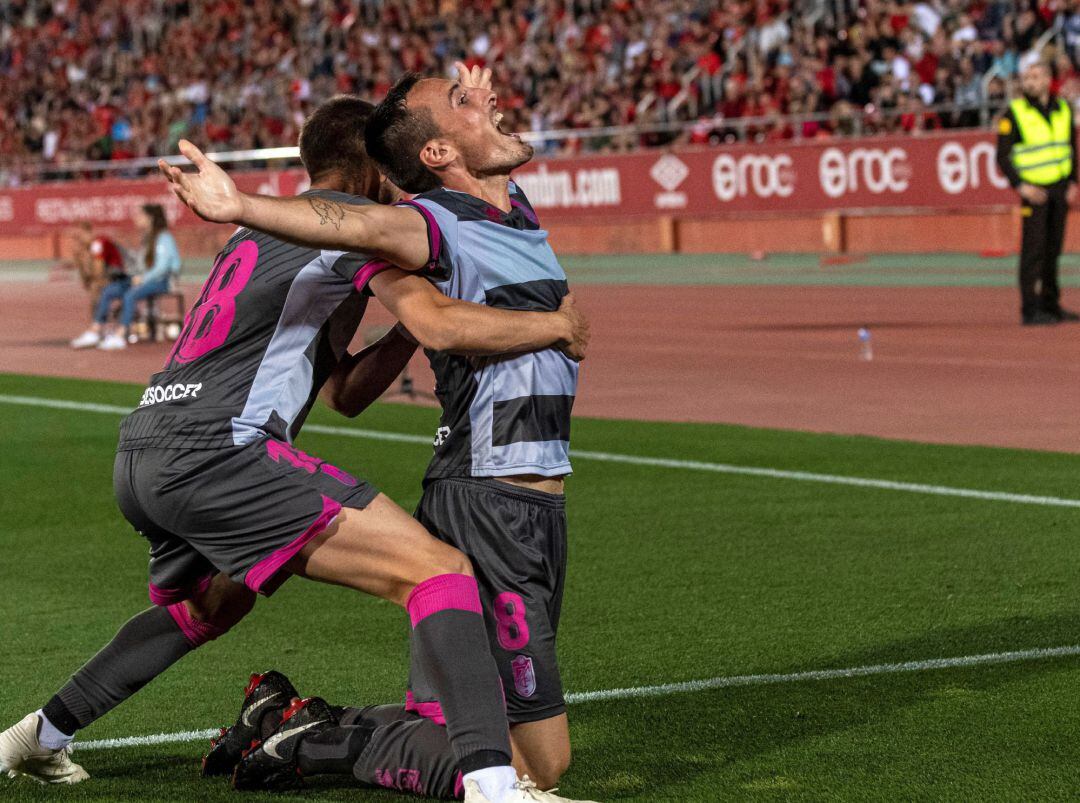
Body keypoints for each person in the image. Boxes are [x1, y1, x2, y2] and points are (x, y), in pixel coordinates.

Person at [0, 93, 590, 803]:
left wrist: (399, 329)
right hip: (220, 450)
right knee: (439, 570)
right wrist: (552, 324)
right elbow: (436, 320)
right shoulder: (347, 233)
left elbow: (341, 391)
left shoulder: (254, 240)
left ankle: (39, 732)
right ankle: (497, 790)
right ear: (374, 173)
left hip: (146, 446)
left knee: (210, 605)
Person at [995, 59, 1080, 326]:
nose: (1029, 83)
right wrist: (1021, 186)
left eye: (1034, 77)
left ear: (1046, 80)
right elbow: (1002, 157)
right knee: (1033, 251)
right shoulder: (1015, 113)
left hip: (1059, 187)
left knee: (1053, 250)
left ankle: (1051, 304)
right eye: (1026, 78)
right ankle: (1030, 309)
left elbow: (1070, 147)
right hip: (1034, 191)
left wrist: (1073, 182)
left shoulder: (1063, 109)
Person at [97, 204, 183, 350]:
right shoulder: (146, 238)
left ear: (150, 218)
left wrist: (142, 279)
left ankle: (120, 335)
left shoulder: (164, 238)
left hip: (162, 281)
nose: (136, 218)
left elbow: (162, 267)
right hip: (145, 279)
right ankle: (96, 330)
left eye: (140, 215)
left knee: (131, 295)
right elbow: (140, 264)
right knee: (110, 290)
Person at [69, 225, 130, 349]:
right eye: (75, 239)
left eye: (80, 237)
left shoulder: (98, 244)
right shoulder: (86, 250)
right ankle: (97, 328)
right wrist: (78, 260)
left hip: (124, 278)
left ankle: (99, 329)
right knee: (94, 289)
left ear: (88, 232)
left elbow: (98, 272)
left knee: (98, 291)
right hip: (113, 278)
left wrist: (94, 285)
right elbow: (86, 279)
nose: (78, 241)